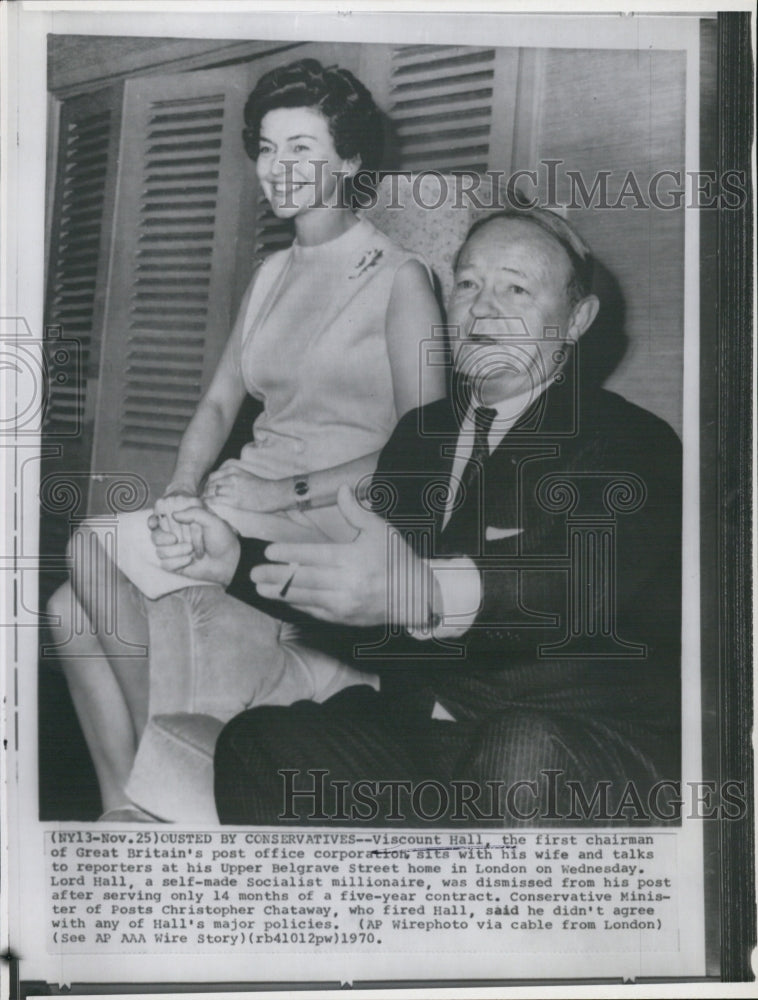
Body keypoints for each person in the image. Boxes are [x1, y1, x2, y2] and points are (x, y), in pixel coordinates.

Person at [155, 208, 682, 826]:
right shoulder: (420, 439)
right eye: (467, 284)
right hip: (433, 736)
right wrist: (233, 562)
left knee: (518, 750)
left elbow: (578, 574)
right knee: (261, 744)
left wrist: (425, 588)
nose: (482, 308)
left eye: (515, 287)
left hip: (579, 740)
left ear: (577, 320)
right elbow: (365, 593)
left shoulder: (631, 441)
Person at [46, 58, 444, 821]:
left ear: (350, 160)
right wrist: (180, 489)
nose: (278, 167)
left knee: (88, 548)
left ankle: (156, 781)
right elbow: (220, 399)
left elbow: (425, 452)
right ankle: (122, 809)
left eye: (302, 148)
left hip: (330, 519)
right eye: (266, 147)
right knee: (67, 610)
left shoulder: (401, 280)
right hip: (242, 504)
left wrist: (278, 491)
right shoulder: (270, 273)